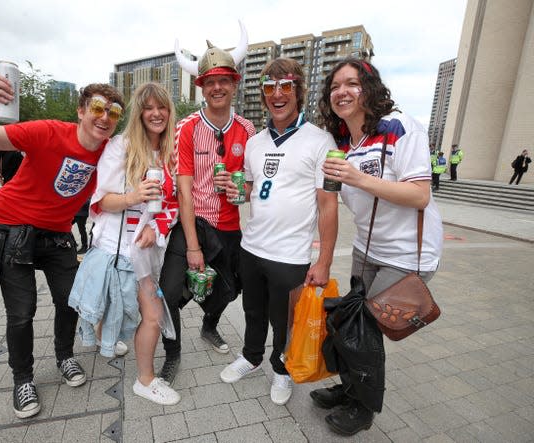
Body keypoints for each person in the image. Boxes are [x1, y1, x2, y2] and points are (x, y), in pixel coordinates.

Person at [0, 74, 125, 419]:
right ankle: (23, 379)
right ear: (80, 110)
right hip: (10, 224)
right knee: (22, 312)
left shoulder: (111, 151)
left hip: (56, 232)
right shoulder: (48, 132)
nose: (104, 117)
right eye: (97, 107)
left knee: (71, 299)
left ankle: (64, 356)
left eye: (114, 112)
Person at [313, 58, 443, 436]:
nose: (342, 92)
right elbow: (329, 201)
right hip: (367, 248)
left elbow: (420, 195)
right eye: (335, 86)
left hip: (405, 254)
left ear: (369, 88)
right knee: (347, 322)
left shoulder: (400, 127)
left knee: (365, 330)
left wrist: (357, 178)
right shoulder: (342, 143)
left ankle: (363, 407)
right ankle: (350, 387)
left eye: (351, 83)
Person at [218, 58, 339, 405]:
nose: (277, 95)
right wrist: (232, 189)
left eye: (285, 86)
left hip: (291, 254)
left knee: (283, 321)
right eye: (269, 88)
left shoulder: (320, 139)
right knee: (252, 311)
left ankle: (281, 369)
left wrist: (325, 261)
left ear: (298, 91)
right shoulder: (255, 142)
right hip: (253, 246)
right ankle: (252, 357)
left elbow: (328, 205)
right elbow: (249, 192)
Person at [69, 82, 180, 405]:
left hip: (147, 251)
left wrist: (157, 227)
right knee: (137, 311)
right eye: (148, 108)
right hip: (116, 250)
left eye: (162, 107)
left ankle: (143, 378)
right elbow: (102, 200)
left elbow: (171, 202)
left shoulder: (170, 152)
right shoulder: (121, 146)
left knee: (146, 313)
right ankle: (145, 377)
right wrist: (135, 196)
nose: (156, 114)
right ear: (139, 113)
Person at [160, 24, 255, 384]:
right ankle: (173, 354)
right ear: (201, 86)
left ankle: (209, 325)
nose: (217, 87)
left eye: (223, 80)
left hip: (230, 226)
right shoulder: (186, 127)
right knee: (168, 292)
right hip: (193, 223)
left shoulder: (248, 130)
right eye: (209, 81)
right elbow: (183, 191)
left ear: (234, 83)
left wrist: (239, 190)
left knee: (231, 290)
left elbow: (252, 187)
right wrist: (194, 248)